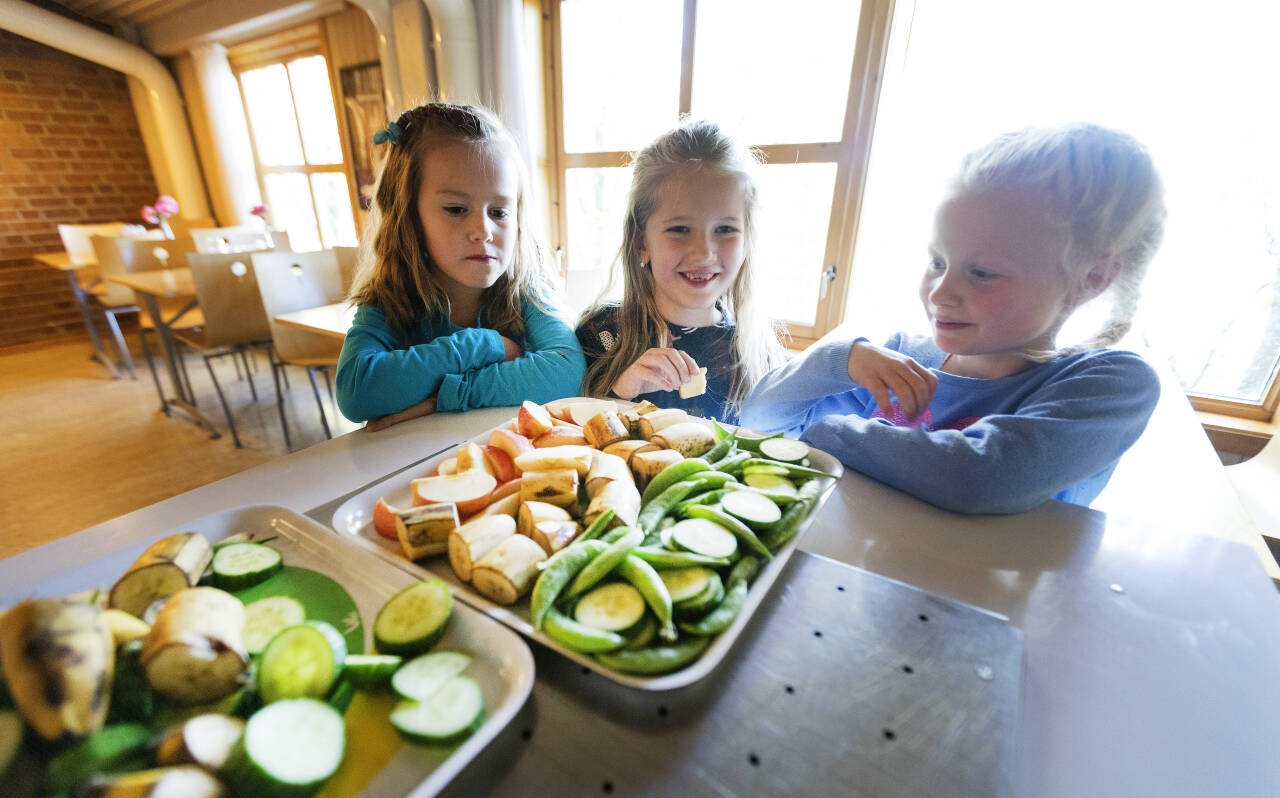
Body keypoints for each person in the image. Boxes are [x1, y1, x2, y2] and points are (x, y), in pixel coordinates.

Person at [740, 123, 1166, 514]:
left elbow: (976, 479)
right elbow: (761, 421)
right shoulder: (898, 358)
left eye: (981, 273)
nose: (941, 293)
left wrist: (828, 432)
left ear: (1090, 278)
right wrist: (839, 360)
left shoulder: (1111, 386)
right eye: (937, 262)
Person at [336, 103, 584, 431]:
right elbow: (357, 392)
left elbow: (567, 371)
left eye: (499, 212)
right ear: (409, 217)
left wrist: (450, 395)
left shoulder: (526, 289)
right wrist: (485, 344)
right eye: (456, 209)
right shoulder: (390, 297)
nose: (483, 230)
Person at [576, 119, 785, 423]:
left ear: (747, 243)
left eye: (725, 228)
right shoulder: (603, 335)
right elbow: (571, 439)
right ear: (641, 242)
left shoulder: (755, 354)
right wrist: (623, 392)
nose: (703, 252)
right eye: (680, 229)